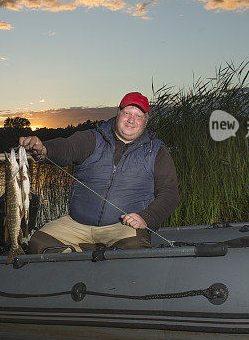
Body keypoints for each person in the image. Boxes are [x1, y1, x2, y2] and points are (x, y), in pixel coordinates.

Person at [19, 92, 179, 253]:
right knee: (39, 244)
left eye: (138, 116)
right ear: (118, 113)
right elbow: (68, 147)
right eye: (127, 113)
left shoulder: (156, 151)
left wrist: (146, 217)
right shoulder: (93, 138)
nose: (131, 120)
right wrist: (44, 149)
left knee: (133, 249)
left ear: (146, 121)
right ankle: (87, 254)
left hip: (122, 228)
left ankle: (92, 254)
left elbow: (170, 193)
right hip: (77, 224)